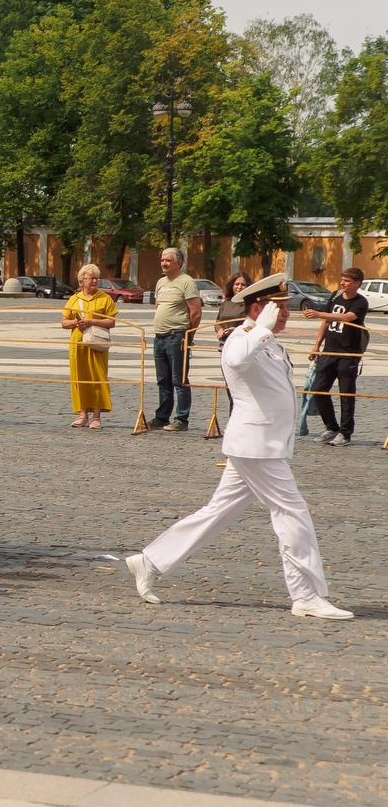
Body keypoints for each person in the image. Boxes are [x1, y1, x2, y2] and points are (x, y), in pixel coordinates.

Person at [127, 274, 353, 620]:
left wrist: (265, 330)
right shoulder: (241, 338)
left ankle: (150, 560)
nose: (287, 314)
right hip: (255, 446)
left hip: (263, 444)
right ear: (260, 308)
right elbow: (234, 362)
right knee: (293, 513)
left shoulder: (269, 342)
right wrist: (260, 326)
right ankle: (306, 594)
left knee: (218, 512)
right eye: (280, 309)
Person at [302, 266, 368, 447]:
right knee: (318, 389)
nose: (342, 283)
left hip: (348, 355)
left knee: (346, 394)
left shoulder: (361, 302)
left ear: (357, 283)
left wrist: (317, 313)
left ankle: (345, 434)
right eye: (342, 279)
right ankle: (331, 427)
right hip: (329, 351)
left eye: (347, 281)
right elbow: (326, 322)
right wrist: (316, 346)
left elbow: (347, 317)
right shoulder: (335, 296)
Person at [149, 247, 202, 431]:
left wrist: (188, 336)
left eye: (168, 261)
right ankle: (162, 417)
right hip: (160, 337)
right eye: (162, 260)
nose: (163, 263)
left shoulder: (187, 282)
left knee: (179, 380)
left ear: (178, 263)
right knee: (163, 380)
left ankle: (181, 419)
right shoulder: (160, 282)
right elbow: (160, 307)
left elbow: (195, 312)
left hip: (177, 336)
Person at [62, 264, 118, 428]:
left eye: (96, 278)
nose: (95, 280)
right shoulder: (74, 299)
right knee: (79, 378)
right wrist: (75, 322)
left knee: (97, 377)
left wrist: (91, 321)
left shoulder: (105, 298)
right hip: (78, 344)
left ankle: (96, 416)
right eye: (91, 278)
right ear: (82, 280)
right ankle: (82, 414)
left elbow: (111, 322)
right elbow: (64, 322)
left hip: (97, 344)